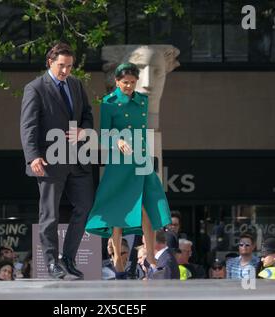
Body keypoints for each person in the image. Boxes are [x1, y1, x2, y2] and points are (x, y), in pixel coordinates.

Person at [85, 62, 171, 279]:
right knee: (119, 211)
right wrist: (119, 140)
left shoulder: (142, 100)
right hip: (120, 162)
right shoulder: (109, 102)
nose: (129, 86)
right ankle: (116, 258)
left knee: (148, 207)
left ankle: (150, 257)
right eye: (125, 83)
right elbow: (104, 135)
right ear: (116, 81)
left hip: (141, 160)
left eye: (133, 82)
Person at [20, 42, 94, 280]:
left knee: (85, 207)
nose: (65, 71)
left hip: (77, 159)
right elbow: (28, 126)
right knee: (50, 215)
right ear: (50, 62)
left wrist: (84, 131)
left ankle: (69, 259)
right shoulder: (35, 88)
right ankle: (51, 262)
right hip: (49, 160)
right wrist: (32, 156)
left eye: (69, 66)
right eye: (61, 65)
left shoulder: (76, 84)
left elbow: (87, 115)